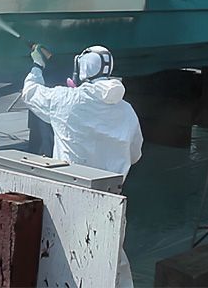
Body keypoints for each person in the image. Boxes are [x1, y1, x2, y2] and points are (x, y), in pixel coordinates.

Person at [21, 44, 143, 288]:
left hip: (70, 198)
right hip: (112, 200)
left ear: (81, 68)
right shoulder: (127, 110)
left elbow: (30, 92)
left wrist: (37, 65)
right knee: (112, 265)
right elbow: (135, 154)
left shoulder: (67, 100)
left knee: (65, 264)